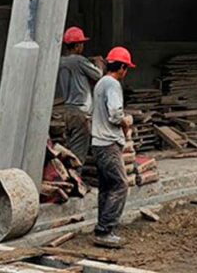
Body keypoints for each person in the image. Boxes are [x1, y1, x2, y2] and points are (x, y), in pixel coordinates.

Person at [90, 46, 135, 249]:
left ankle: (102, 226)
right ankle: (105, 230)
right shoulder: (113, 84)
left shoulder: (100, 83)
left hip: (98, 143)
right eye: (127, 69)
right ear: (123, 67)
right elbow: (115, 115)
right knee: (120, 185)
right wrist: (126, 121)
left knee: (106, 187)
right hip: (108, 143)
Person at [55, 27, 102, 163]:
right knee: (77, 156)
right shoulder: (79, 61)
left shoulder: (62, 61)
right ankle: (75, 182)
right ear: (77, 45)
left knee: (70, 149)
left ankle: (69, 179)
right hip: (81, 112)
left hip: (68, 112)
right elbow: (98, 75)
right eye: (81, 44)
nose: (82, 46)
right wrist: (98, 63)